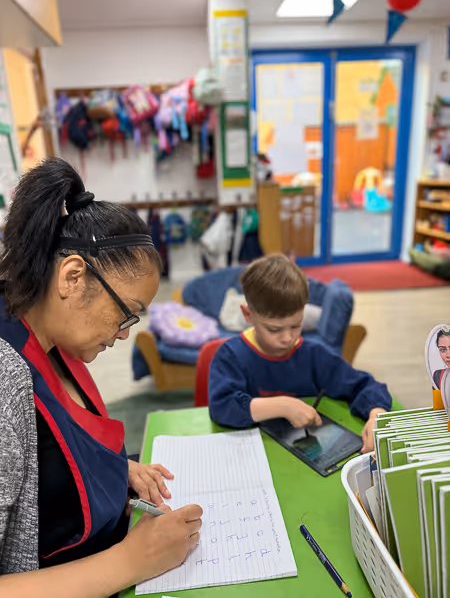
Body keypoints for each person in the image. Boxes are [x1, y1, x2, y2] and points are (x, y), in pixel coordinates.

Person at [0, 157, 202, 596]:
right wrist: (131, 560)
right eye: (125, 314)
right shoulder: (4, 380)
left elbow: (58, 447)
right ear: (73, 277)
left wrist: (115, 470)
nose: (124, 335)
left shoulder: (54, 339)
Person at [208, 254, 392, 453]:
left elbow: (364, 385)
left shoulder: (314, 355)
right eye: (274, 329)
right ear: (248, 314)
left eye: (296, 325)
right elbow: (222, 406)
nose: (288, 338)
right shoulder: (231, 356)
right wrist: (284, 406)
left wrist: (376, 417)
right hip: (250, 456)